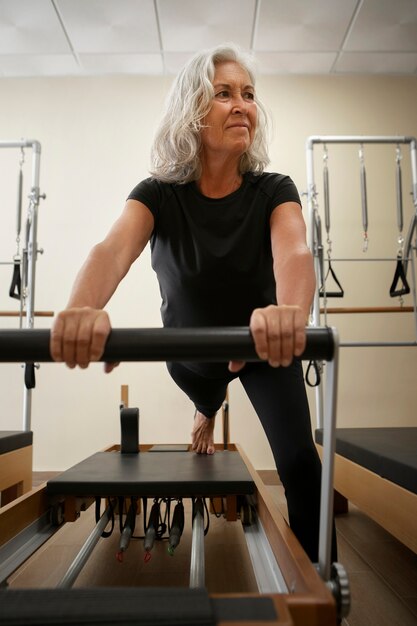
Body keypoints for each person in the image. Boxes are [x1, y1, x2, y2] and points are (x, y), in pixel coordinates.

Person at [51, 44, 335, 563]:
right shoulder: (159, 193)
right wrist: (81, 307)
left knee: (300, 461)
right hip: (192, 352)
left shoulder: (274, 189)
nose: (242, 104)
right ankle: (206, 409)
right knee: (206, 391)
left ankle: (325, 594)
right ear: (191, 112)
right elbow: (113, 249)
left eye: (248, 94)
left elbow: (295, 250)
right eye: (224, 93)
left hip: (263, 343)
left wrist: (291, 314)